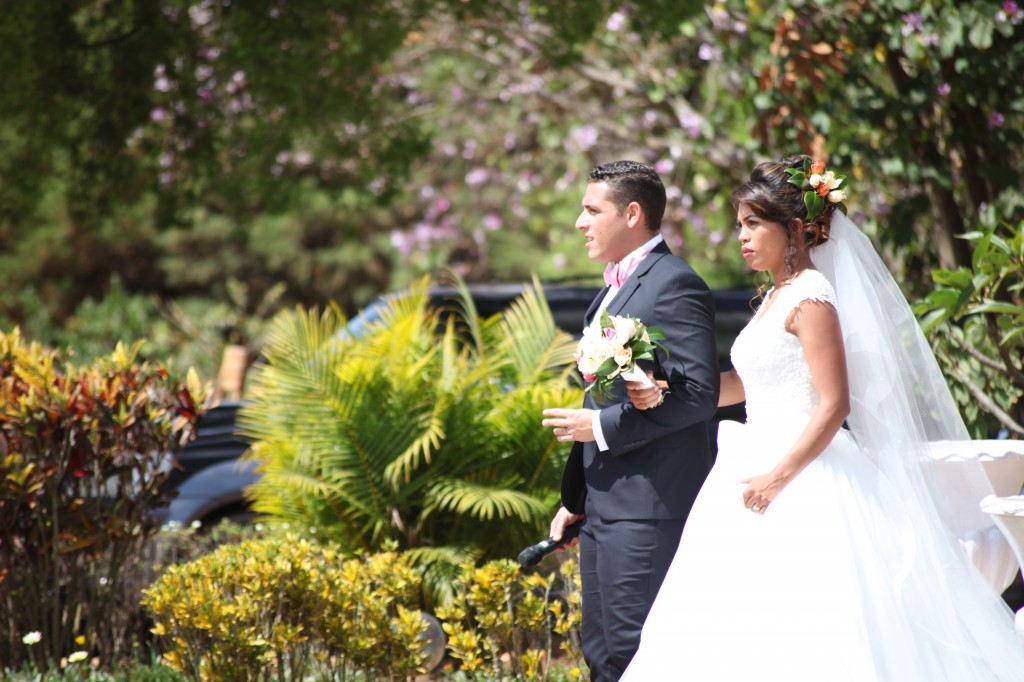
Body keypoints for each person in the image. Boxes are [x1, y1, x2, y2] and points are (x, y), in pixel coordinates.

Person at [621, 155, 1024, 681]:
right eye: (739, 225)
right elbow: (746, 383)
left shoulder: (812, 298)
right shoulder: (772, 298)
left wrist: (778, 477)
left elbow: (835, 404)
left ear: (792, 228)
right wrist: (668, 389)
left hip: (806, 477)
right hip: (753, 464)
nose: (740, 237)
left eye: (752, 224)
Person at [540, 160, 719, 682]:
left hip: (649, 506)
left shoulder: (675, 283)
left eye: (592, 210)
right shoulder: (612, 289)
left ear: (633, 213)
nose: (580, 222)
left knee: (633, 655)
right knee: (600, 656)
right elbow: (603, 396)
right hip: (603, 506)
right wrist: (576, 501)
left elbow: (699, 396)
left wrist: (600, 429)